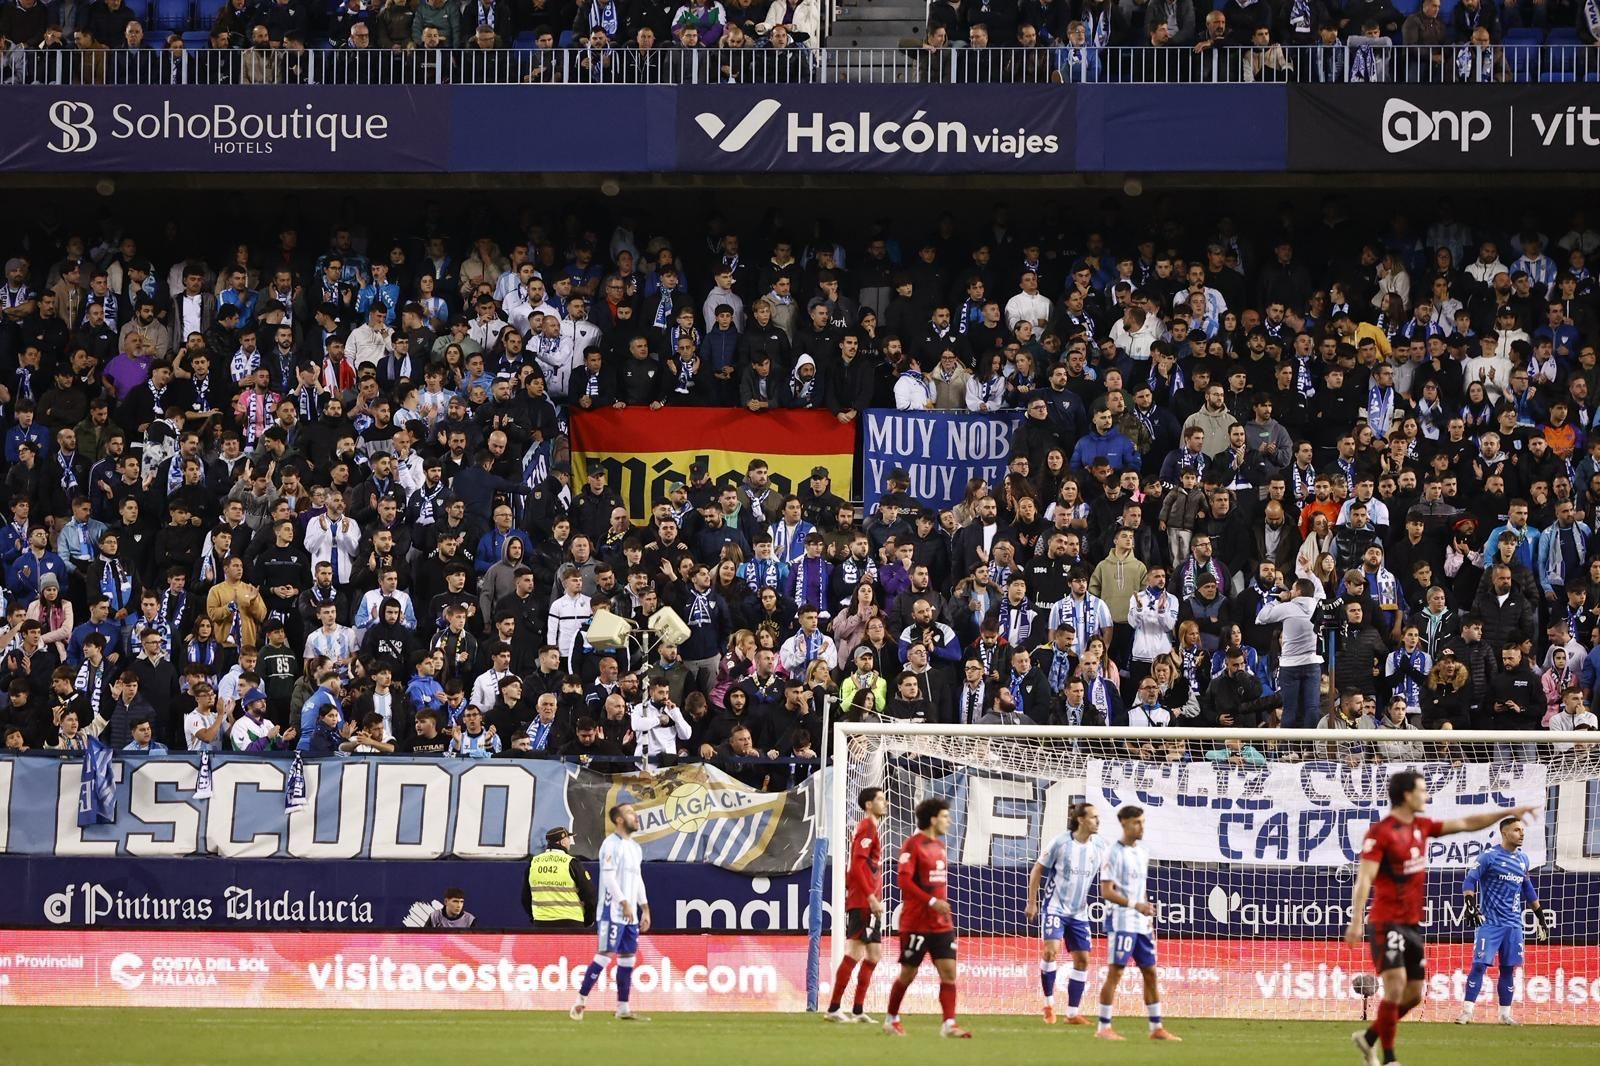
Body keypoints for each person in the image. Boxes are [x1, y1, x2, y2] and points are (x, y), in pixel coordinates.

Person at [1345, 770, 1537, 1066]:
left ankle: (1368, 1038)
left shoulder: (1422, 826)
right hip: (1386, 920)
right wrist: (1357, 919)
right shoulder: (1380, 833)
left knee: (1412, 995)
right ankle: (1389, 1058)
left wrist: (1509, 811)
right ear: (1408, 796)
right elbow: (1365, 878)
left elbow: (1465, 823)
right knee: (1395, 987)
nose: (1426, 796)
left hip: (1411, 924)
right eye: (1422, 791)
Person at [883, 797, 970, 1039]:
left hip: (941, 924)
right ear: (933, 819)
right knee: (908, 974)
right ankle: (891, 1019)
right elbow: (903, 881)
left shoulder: (940, 847)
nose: (948, 821)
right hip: (916, 923)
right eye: (944, 816)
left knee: (949, 972)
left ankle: (949, 1024)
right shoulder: (913, 845)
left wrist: (938, 906)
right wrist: (932, 902)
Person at [1095, 806, 1181, 1042]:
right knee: (1116, 972)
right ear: (1124, 823)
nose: (1141, 827)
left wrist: (1146, 916)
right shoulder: (1112, 853)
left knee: (1151, 973)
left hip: (1141, 923)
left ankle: (1156, 1027)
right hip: (1122, 921)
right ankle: (1103, 1027)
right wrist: (1136, 905)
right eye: (1136, 823)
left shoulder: (1143, 851)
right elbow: (1106, 892)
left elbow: (1140, 890)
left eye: (1143, 822)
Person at [1456, 816, 1548, 1025]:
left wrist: (1540, 917)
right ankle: (1467, 1012)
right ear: (1504, 833)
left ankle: (1505, 1015)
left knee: (1508, 969)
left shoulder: (1523, 859)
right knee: (1479, 966)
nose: (1521, 834)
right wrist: (1470, 905)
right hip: (1489, 923)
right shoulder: (1489, 857)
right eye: (1516, 830)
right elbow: (1469, 881)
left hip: (1514, 925)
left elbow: (1528, 889)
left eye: (1522, 830)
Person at [1025, 801, 1106, 1026]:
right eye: (1093, 817)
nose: (1097, 821)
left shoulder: (1100, 845)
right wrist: (1032, 902)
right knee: (1051, 952)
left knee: (1082, 960)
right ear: (1080, 820)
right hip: (1054, 907)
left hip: (1079, 912)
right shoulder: (1061, 843)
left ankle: (1072, 1013)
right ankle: (1049, 1004)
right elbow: (1037, 869)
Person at [571, 803, 648, 1022]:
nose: (636, 816)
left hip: (630, 913)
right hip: (612, 911)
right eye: (631, 813)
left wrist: (645, 907)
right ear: (619, 820)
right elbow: (609, 878)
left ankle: (623, 1007)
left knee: (627, 959)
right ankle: (580, 1001)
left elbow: (638, 878)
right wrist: (624, 902)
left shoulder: (635, 847)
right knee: (604, 956)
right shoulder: (610, 845)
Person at [825, 786, 888, 1023]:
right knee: (854, 951)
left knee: (874, 954)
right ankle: (833, 1008)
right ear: (869, 804)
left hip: (868, 900)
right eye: (880, 799)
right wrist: (870, 897)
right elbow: (858, 865)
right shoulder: (867, 828)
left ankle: (858, 1009)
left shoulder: (870, 828)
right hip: (864, 901)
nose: (885, 803)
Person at [526, 826, 596, 929]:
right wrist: (589, 919)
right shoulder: (571, 862)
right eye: (568, 839)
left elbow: (526, 897)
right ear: (562, 842)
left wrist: (535, 917)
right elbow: (589, 894)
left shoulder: (534, 862)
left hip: (542, 923)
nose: (570, 843)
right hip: (571, 922)